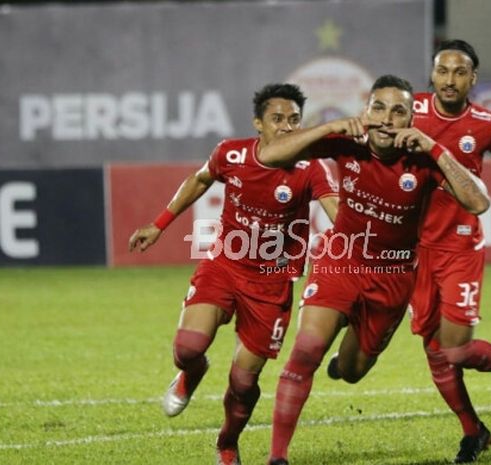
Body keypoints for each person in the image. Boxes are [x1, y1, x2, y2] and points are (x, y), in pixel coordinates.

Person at [257, 74, 491, 465]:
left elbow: (479, 203)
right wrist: (331, 125)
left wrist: (436, 148)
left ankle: (346, 355)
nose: (386, 118)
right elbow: (271, 155)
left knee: (351, 372)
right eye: (378, 107)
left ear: (410, 119)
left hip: (393, 275)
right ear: (366, 111)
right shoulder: (347, 144)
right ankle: (277, 457)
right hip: (342, 259)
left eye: (398, 110)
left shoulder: (423, 159)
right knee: (307, 350)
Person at [128, 83, 339, 465]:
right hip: (225, 265)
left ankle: (227, 443)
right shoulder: (232, 153)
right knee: (187, 349)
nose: (287, 127)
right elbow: (200, 179)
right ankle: (191, 373)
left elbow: (336, 210)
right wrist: (159, 223)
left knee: (244, 383)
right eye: (277, 119)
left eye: (294, 120)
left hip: (271, 285)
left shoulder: (312, 168)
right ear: (258, 123)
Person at [409, 39, 491, 463]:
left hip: (460, 246)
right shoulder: (409, 111)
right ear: (432, 75)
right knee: (434, 349)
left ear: (473, 79)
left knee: (456, 348)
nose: (450, 80)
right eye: (443, 71)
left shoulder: (486, 122)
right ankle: (474, 431)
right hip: (413, 250)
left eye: (460, 72)